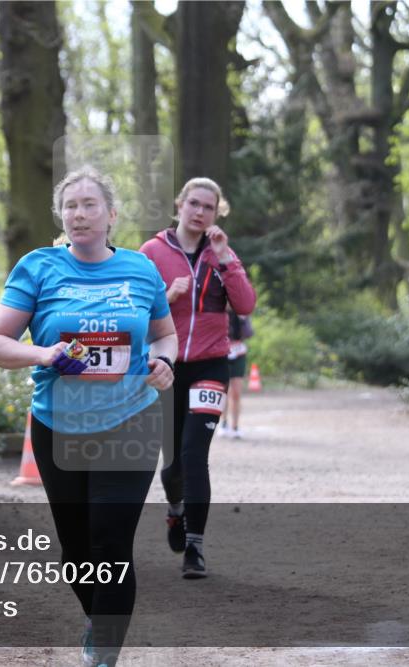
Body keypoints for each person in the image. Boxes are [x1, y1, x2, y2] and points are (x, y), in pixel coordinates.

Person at [0, 165, 178, 667]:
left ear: (110, 215)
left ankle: (104, 655)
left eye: (90, 204)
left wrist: (164, 362)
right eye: (71, 206)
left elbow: (164, 335)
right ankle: (98, 620)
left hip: (130, 420)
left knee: (111, 544)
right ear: (61, 216)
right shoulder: (38, 267)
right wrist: (45, 354)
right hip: (58, 427)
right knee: (76, 552)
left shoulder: (140, 270)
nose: (80, 213)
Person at [139, 177, 256, 578]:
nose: (199, 212)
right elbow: (131, 308)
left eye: (208, 206)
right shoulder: (152, 252)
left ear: (216, 213)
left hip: (210, 365)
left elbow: (245, 305)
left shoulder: (221, 253)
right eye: (193, 203)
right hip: (167, 365)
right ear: (180, 205)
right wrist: (165, 297)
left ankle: (195, 548)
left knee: (194, 455)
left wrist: (225, 258)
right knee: (171, 463)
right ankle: (175, 511)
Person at [220, 311, 253, 439]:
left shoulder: (241, 312)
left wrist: (243, 320)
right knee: (224, 391)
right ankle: (223, 423)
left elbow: (249, 333)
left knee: (236, 392)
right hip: (223, 353)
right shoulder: (220, 310)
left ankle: (235, 426)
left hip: (239, 354)